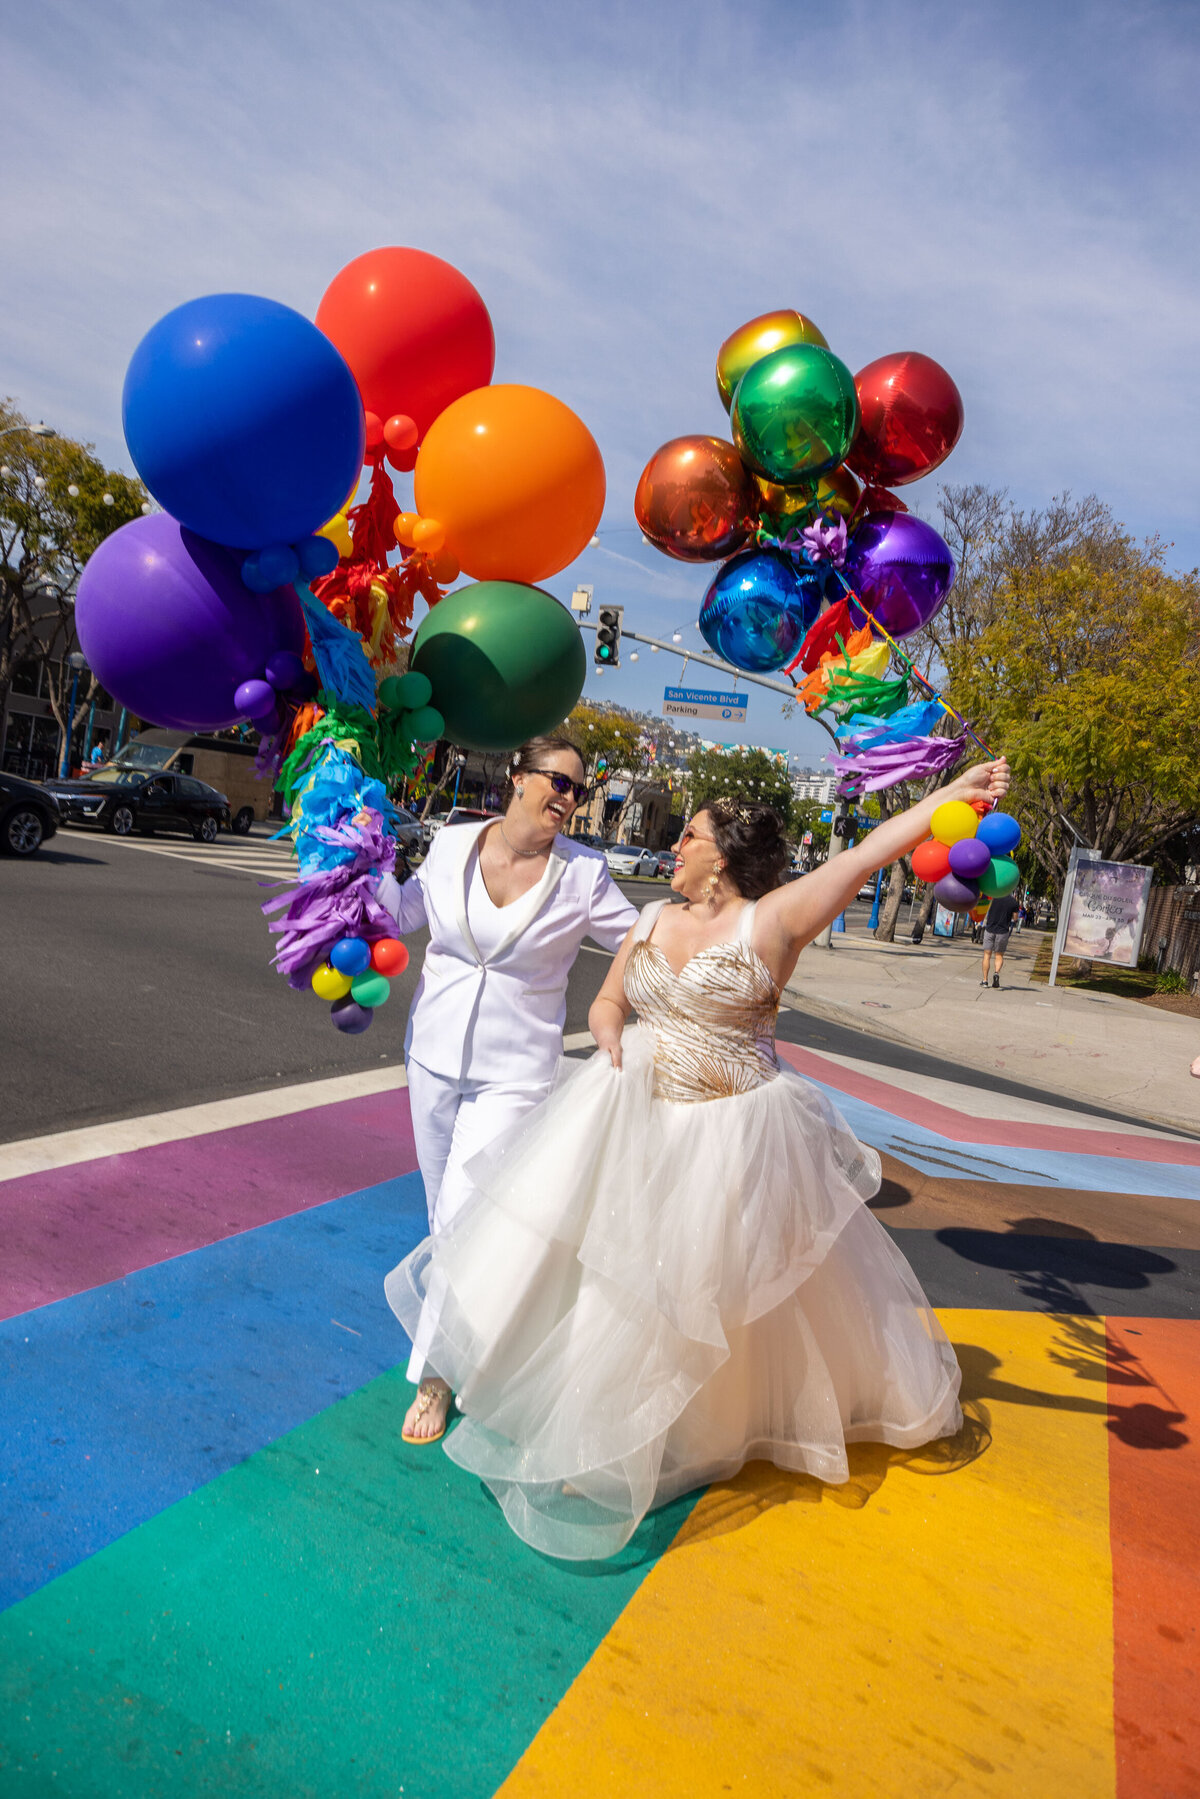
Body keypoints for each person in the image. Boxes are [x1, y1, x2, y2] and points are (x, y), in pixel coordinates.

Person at [385, 758, 1011, 1559]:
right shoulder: (650, 919)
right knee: (605, 1279)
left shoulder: (775, 920)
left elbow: (865, 857)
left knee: (684, 1294)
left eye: (688, 834)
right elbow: (609, 998)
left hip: (728, 1132)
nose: (673, 845)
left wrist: (948, 800)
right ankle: (592, 1417)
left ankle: (645, 1437)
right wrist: (609, 1029)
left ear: (722, 856)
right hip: (632, 1110)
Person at [372, 733, 638, 1444]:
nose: (568, 797)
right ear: (517, 777)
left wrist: (719, 946)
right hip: (430, 1055)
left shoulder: (584, 874)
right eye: (557, 780)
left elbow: (643, 943)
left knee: (464, 1219)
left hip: (516, 1073)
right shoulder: (454, 842)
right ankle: (472, 1343)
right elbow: (402, 920)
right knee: (441, 1218)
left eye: (578, 789)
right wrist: (361, 867)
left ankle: (436, 1377)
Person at [980, 891, 1020, 987]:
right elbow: (1015, 918)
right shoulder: (1013, 902)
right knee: (999, 956)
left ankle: (985, 981)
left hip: (990, 929)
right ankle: (996, 973)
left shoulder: (993, 897)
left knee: (987, 955)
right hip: (1003, 932)